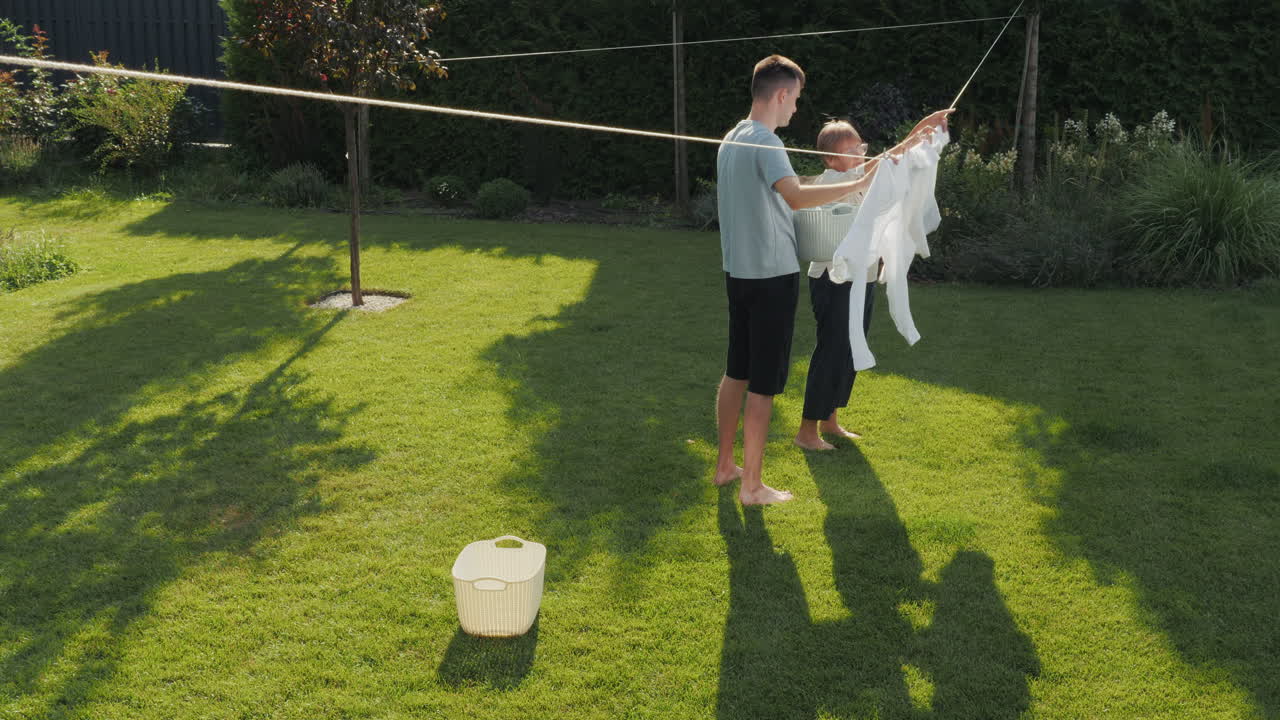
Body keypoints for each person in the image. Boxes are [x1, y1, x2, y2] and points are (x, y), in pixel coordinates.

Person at [713, 55, 880, 505]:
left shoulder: (732, 138)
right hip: (770, 276)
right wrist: (859, 179)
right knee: (764, 384)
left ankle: (725, 467)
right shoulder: (767, 141)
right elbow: (798, 196)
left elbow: (781, 191)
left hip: (739, 274)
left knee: (737, 371)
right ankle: (752, 485)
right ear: (782, 93)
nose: (796, 110)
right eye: (797, 99)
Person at [793, 117, 952, 451]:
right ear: (831, 160)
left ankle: (831, 420)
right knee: (832, 349)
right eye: (852, 150)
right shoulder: (833, 180)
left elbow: (883, 166)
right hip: (832, 280)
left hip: (860, 279)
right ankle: (807, 431)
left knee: (851, 347)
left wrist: (925, 128)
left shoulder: (858, 176)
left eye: (861, 147)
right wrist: (915, 134)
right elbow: (881, 165)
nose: (861, 154)